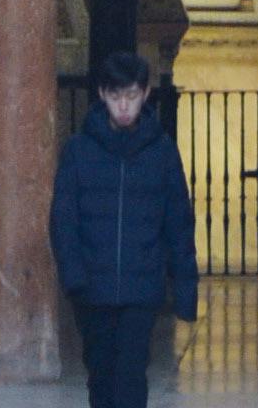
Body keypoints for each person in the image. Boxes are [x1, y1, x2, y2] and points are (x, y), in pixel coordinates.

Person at [50, 52, 198, 408]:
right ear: (102, 94)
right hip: (92, 288)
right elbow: (63, 219)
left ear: (145, 94)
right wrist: (74, 278)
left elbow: (179, 222)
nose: (124, 106)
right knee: (100, 375)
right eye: (117, 97)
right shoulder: (78, 150)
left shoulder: (162, 152)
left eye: (131, 96)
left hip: (142, 287)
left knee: (132, 375)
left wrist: (185, 288)